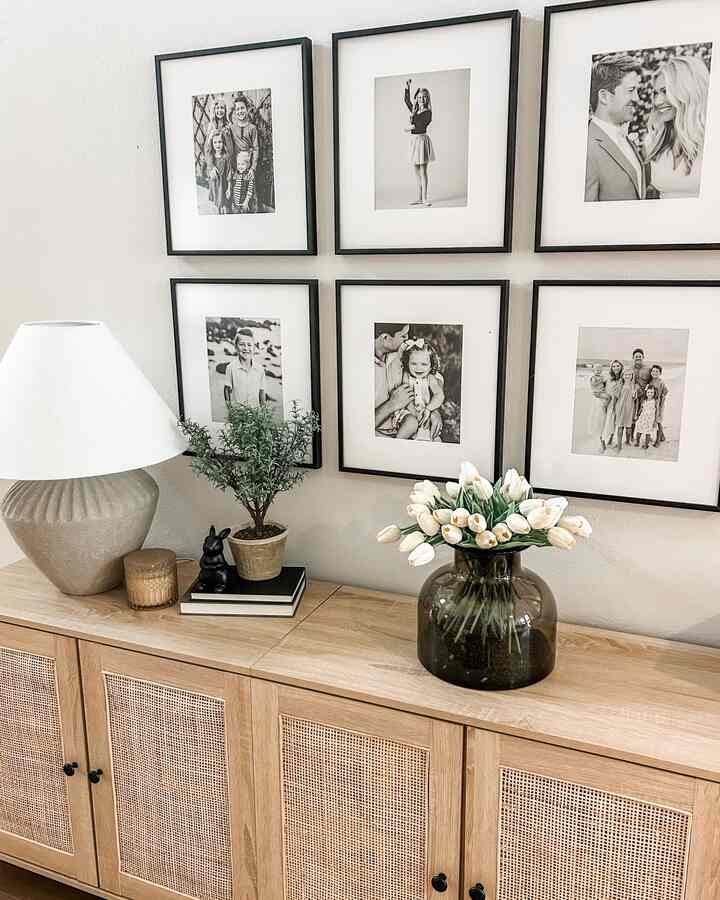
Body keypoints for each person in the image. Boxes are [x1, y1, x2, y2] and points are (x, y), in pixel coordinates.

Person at [645, 56, 709, 200]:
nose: (657, 101)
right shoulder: (655, 140)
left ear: (688, 91)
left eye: (665, 91)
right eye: (656, 93)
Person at [586, 54, 646, 202]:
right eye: (631, 90)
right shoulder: (587, 146)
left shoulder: (626, 139)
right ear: (604, 97)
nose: (637, 98)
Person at [392, 339, 445, 441]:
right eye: (414, 363)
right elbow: (406, 397)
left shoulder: (430, 378)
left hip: (424, 410)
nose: (418, 368)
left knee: (433, 435)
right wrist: (415, 413)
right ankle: (396, 443)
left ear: (431, 365)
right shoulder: (406, 376)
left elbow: (439, 395)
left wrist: (428, 409)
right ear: (407, 363)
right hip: (408, 410)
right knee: (410, 424)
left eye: (424, 364)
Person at [375, 323, 411, 434]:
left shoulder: (399, 354)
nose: (407, 339)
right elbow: (357, 424)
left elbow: (428, 374)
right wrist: (392, 404)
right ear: (385, 338)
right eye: (403, 336)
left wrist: (434, 411)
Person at [404, 80, 435, 207]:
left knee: (423, 170)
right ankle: (419, 197)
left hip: (422, 141)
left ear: (427, 99)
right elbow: (407, 101)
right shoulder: (415, 110)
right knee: (416, 169)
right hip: (414, 141)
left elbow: (421, 125)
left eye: (424, 97)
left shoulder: (428, 112)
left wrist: (409, 128)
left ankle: (425, 198)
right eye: (419, 97)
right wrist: (408, 87)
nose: (421, 99)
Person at [224, 328, 266, 407]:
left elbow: (262, 391)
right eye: (242, 344)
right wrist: (230, 408)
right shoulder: (230, 368)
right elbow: (226, 389)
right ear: (236, 347)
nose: (246, 348)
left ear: (254, 347)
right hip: (238, 413)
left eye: (249, 345)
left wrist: (263, 411)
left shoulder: (260, 369)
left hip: (255, 412)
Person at [204, 99, 235, 182]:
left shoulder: (228, 126)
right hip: (215, 163)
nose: (220, 110)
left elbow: (231, 148)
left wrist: (231, 166)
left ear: (225, 110)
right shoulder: (211, 126)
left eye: (222, 108)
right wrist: (211, 166)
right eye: (217, 108)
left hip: (226, 164)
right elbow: (207, 149)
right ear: (214, 110)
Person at [229, 97, 259, 176]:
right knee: (237, 187)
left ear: (247, 109)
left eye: (242, 108)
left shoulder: (252, 128)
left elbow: (255, 148)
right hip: (236, 166)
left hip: (248, 165)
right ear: (235, 112)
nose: (240, 111)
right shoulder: (232, 128)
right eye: (237, 109)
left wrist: (253, 168)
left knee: (249, 187)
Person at [600, 360, 624, 452]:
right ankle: (604, 442)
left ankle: (610, 441)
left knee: (615, 423)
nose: (616, 368)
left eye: (618, 366)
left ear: (621, 367)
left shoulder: (622, 378)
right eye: (613, 366)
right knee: (606, 423)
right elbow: (600, 388)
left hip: (618, 403)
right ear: (611, 368)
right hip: (608, 403)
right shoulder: (608, 377)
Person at [206, 132, 232, 214]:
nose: (217, 145)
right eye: (215, 142)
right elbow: (207, 170)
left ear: (223, 142)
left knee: (224, 204)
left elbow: (229, 173)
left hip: (223, 185)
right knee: (217, 203)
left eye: (220, 142)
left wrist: (229, 188)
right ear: (212, 144)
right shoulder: (211, 157)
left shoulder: (226, 157)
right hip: (214, 184)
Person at [630, 348, 652, 438]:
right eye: (636, 356)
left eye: (640, 356)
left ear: (643, 357)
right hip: (634, 396)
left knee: (647, 416)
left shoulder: (648, 369)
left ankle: (650, 435)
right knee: (633, 416)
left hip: (645, 397)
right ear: (633, 357)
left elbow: (652, 382)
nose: (638, 358)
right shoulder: (630, 369)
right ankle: (631, 436)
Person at [614, 368, 637, 453]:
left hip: (630, 409)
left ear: (632, 376)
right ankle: (619, 446)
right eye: (625, 374)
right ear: (623, 376)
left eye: (629, 375)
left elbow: (635, 399)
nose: (627, 376)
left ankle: (627, 441)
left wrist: (635, 412)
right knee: (620, 427)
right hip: (620, 408)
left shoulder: (634, 385)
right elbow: (616, 396)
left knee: (628, 429)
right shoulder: (620, 384)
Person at [588, 364, 610, 443]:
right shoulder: (593, 377)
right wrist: (600, 380)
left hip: (601, 391)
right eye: (597, 370)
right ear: (593, 371)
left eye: (600, 370)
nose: (598, 371)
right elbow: (593, 384)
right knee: (607, 398)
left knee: (606, 400)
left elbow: (605, 383)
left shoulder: (602, 377)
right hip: (597, 392)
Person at [229, 150, 256, 214]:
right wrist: (233, 201)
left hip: (244, 204)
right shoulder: (235, 174)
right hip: (235, 204)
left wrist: (246, 202)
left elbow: (250, 191)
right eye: (238, 164)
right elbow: (234, 188)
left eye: (243, 164)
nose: (240, 166)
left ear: (248, 165)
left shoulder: (249, 176)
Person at [649, 364, 669, 446]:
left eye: (657, 371)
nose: (654, 373)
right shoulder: (650, 381)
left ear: (660, 373)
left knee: (658, 421)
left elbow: (665, 392)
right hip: (652, 403)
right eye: (653, 371)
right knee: (652, 419)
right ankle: (662, 436)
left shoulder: (661, 382)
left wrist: (661, 404)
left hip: (659, 404)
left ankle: (658, 441)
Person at [634, 384, 658, 450]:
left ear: (654, 393)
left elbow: (657, 411)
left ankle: (646, 444)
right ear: (646, 392)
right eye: (648, 392)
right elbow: (641, 409)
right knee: (639, 430)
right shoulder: (644, 400)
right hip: (643, 418)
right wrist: (637, 415)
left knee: (648, 432)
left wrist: (655, 421)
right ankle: (637, 441)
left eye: (651, 392)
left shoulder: (655, 401)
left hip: (650, 419)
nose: (650, 394)